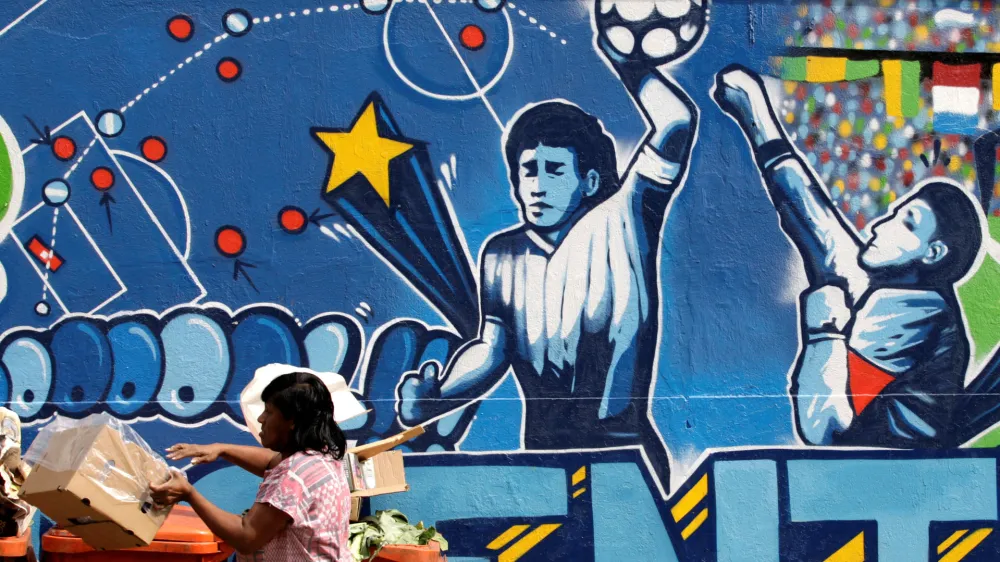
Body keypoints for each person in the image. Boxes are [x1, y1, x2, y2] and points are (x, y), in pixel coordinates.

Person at [395, 11, 699, 496]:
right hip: (541, 458)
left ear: (590, 181)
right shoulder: (502, 255)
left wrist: (626, 60)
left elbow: (676, 121)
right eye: (528, 170)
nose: (537, 184)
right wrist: (438, 398)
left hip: (624, 456)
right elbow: (491, 348)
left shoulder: (624, 219)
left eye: (555, 170)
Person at [713, 64, 985, 448]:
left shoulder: (913, 312)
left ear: (933, 253)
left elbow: (824, 426)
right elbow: (817, 224)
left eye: (906, 222)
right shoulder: (905, 297)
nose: (880, 225)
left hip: (880, 475)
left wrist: (824, 329)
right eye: (893, 214)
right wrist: (759, 122)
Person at [149, 372, 352, 561]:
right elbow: (271, 462)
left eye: (269, 412)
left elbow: (247, 537)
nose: (261, 419)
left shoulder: (293, 475)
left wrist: (189, 494)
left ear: (292, 421)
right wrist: (222, 449)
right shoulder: (322, 457)